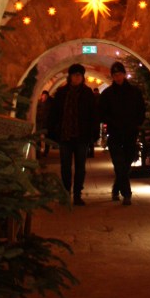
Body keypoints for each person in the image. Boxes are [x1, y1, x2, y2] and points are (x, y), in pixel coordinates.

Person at [47, 64, 99, 206]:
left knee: (80, 167)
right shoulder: (61, 93)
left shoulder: (87, 94)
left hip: (82, 136)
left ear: (82, 77)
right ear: (70, 77)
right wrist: (51, 131)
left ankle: (77, 194)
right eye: (74, 75)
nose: (77, 77)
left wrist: (94, 133)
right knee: (65, 166)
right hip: (65, 135)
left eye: (79, 75)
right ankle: (65, 193)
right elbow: (54, 114)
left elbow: (93, 115)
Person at [99, 61, 146, 205]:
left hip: (130, 133)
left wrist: (137, 123)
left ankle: (116, 188)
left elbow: (141, 110)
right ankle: (127, 194)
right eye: (114, 75)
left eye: (119, 74)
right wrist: (112, 122)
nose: (117, 77)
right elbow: (101, 113)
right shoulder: (107, 94)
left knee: (126, 163)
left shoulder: (134, 92)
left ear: (124, 75)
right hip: (114, 133)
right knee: (118, 163)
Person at [35, 89, 51, 160]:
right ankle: (38, 152)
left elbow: (48, 114)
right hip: (39, 123)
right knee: (38, 138)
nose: (43, 97)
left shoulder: (48, 105)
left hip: (46, 124)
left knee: (46, 138)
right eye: (43, 95)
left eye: (45, 96)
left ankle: (46, 152)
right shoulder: (38, 103)